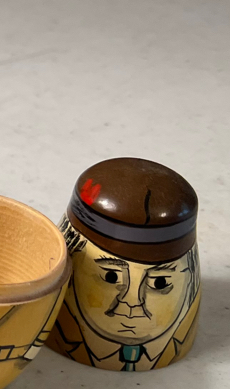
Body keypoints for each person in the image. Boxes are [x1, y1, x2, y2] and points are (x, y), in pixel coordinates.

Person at [47, 157, 201, 371]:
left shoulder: (173, 345)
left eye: (160, 283)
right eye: (111, 277)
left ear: (189, 279)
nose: (132, 306)